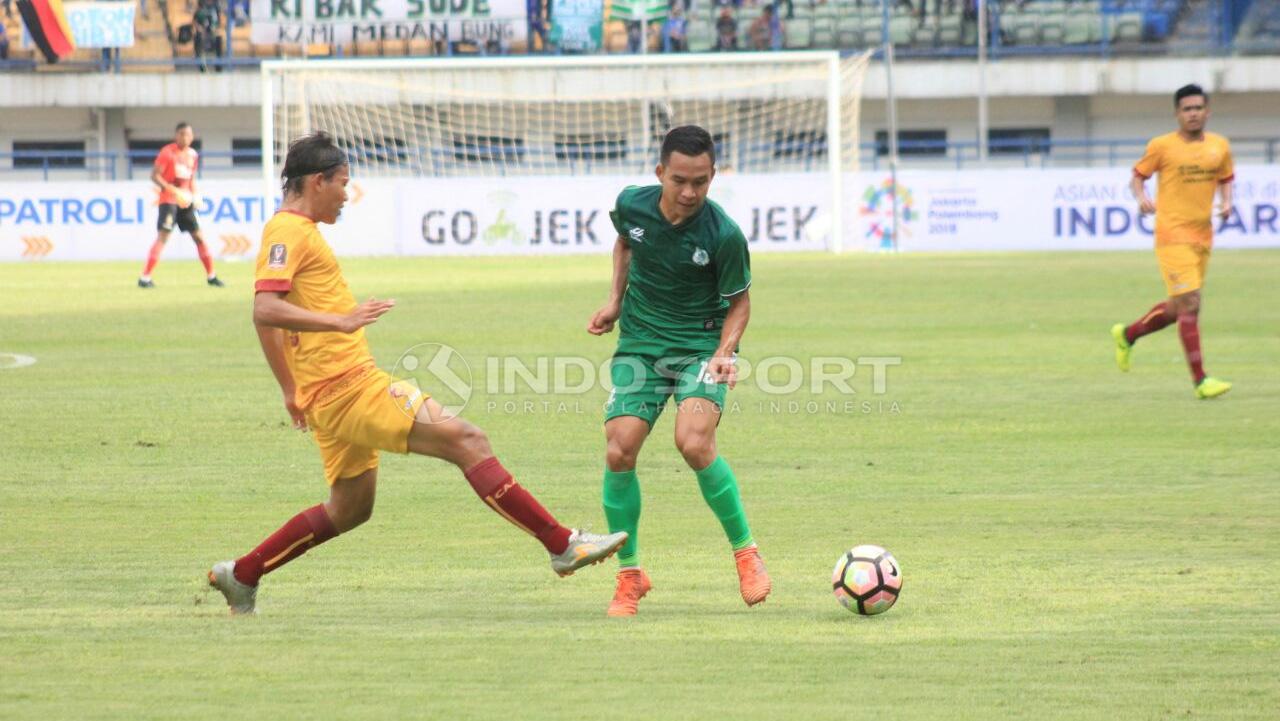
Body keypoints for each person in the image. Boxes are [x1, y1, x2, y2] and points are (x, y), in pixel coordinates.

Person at [206, 132, 626, 615]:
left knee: (350, 509)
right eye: (343, 183)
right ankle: (561, 544)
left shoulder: (295, 232)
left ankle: (242, 574)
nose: (347, 194)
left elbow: (270, 319)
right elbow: (265, 310)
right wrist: (339, 322)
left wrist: (290, 388)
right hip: (348, 389)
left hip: (330, 392)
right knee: (468, 440)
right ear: (317, 181)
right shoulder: (289, 232)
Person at [587, 125, 770, 617]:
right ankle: (630, 575)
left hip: (699, 348)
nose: (690, 192)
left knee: (692, 441)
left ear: (712, 177)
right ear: (660, 173)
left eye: (702, 182)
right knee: (619, 447)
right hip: (642, 344)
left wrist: (725, 352)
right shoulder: (632, 204)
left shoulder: (724, 234)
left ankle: (746, 551)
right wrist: (614, 303)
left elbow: (740, 304)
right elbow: (626, 244)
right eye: (680, 180)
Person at [1112, 83, 1234, 400]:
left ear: (1207, 111)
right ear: (1177, 114)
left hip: (1202, 235)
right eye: (1186, 109)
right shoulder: (1162, 146)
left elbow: (1226, 177)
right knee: (1192, 303)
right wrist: (1141, 197)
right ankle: (1201, 381)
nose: (1193, 114)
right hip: (1172, 235)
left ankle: (1127, 334)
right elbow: (1138, 175)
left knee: (1177, 308)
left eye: (1198, 108)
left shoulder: (1219, 146)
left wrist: (1228, 202)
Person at [138, 122, 222, 288]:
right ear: (176, 135)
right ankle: (145, 278)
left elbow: (191, 179)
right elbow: (155, 176)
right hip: (169, 201)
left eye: (188, 134)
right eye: (182, 134)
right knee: (163, 237)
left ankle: (211, 276)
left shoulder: (192, 155)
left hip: (186, 201)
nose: (185, 137)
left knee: (199, 237)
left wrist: (195, 195)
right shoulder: (167, 153)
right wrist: (173, 191)